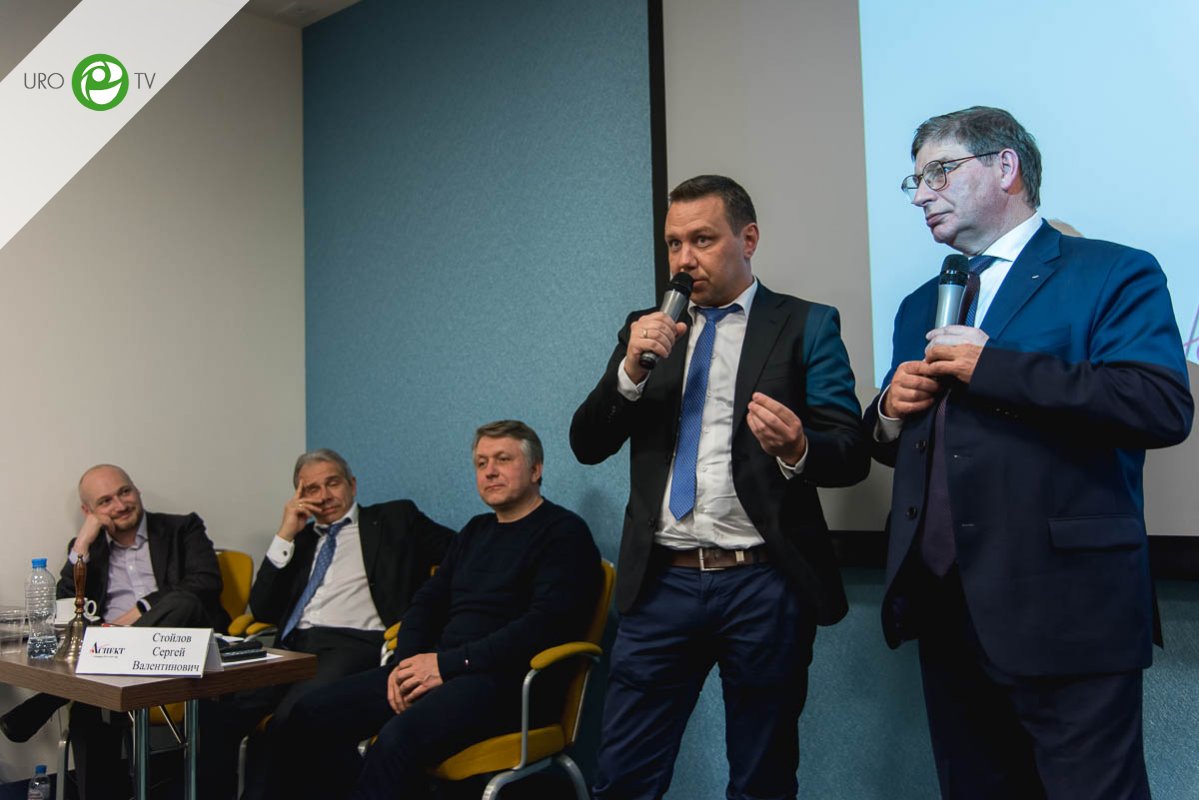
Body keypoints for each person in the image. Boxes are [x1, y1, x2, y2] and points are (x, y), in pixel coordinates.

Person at [866, 106, 1193, 799]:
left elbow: (1159, 405)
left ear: (1005, 167)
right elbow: (929, 448)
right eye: (915, 181)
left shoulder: (1112, 272)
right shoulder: (920, 303)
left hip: (1068, 609)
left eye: (938, 172)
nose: (921, 195)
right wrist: (888, 415)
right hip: (946, 607)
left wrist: (993, 367)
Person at [571, 175, 869, 800]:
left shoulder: (806, 325)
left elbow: (850, 453)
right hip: (661, 583)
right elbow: (587, 443)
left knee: (762, 779)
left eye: (702, 240)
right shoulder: (647, 329)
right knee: (623, 776)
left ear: (748, 239)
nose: (684, 259)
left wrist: (799, 447)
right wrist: (627, 373)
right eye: (673, 243)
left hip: (762, 584)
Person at [264, 421, 601, 800]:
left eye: (503, 459)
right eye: (481, 463)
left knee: (396, 739)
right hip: (441, 671)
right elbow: (427, 602)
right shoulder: (475, 531)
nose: (490, 471)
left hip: (508, 683)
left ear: (536, 469)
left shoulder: (564, 533)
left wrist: (447, 665)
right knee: (310, 714)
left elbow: (542, 628)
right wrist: (405, 667)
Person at [203, 448, 453, 799]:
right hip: (291, 647)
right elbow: (262, 608)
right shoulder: (301, 540)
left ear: (352, 484)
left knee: (290, 718)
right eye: (311, 489)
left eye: (332, 483)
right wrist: (285, 533)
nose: (323, 496)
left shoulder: (395, 518)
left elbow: (462, 555)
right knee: (217, 711)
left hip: (352, 644)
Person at [0, 464, 228, 800]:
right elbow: (66, 605)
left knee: (183, 601)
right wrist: (82, 542)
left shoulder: (182, 528)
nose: (120, 505)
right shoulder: (90, 549)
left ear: (136, 490)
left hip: (177, 647)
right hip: (114, 660)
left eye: (124, 492)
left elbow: (206, 582)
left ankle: (54, 695)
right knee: (91, 709)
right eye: (105, 501)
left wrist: (138, 612)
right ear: (88, 511)